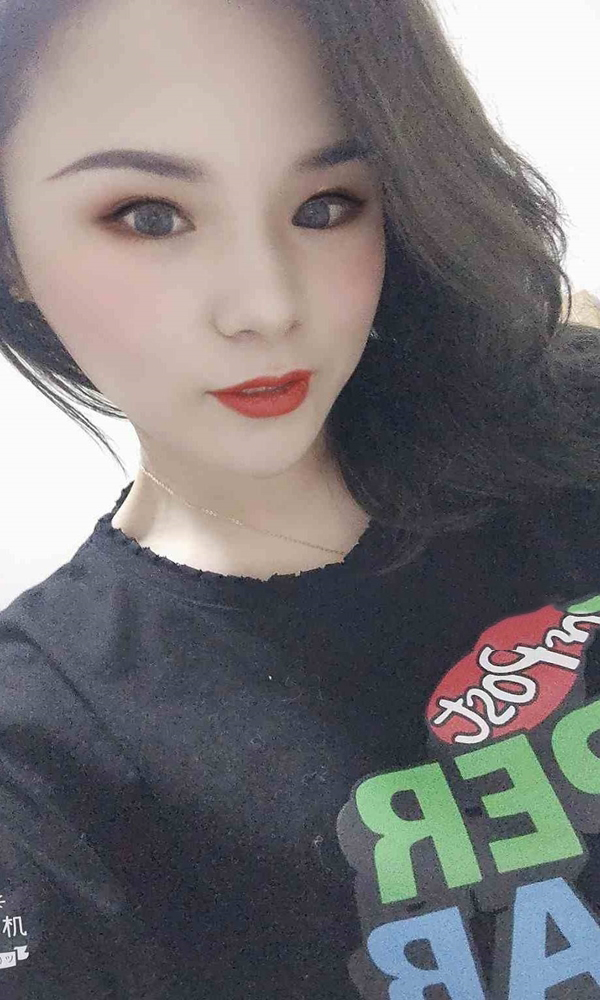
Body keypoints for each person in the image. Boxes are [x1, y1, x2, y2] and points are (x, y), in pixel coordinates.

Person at [0, 0, 598, 996]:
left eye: (325, 205)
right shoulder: (45, 750)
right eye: (149, 216)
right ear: (12, 249)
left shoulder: (570, 430)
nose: (267, 305)